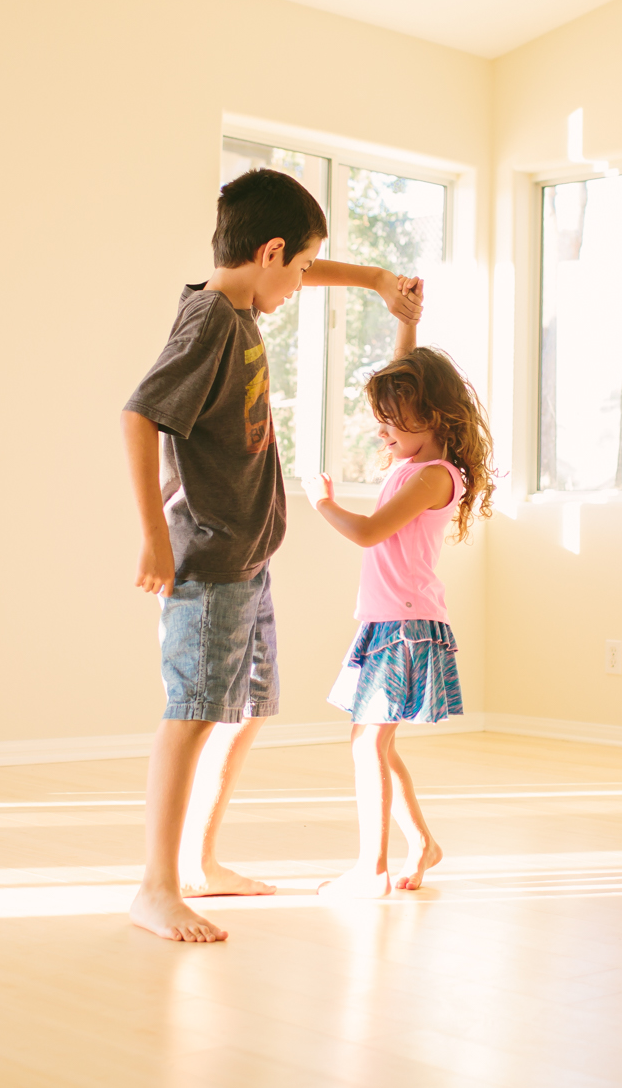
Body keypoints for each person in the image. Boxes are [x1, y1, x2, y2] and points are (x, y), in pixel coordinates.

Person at [121, 166, 421, 944]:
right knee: (192, 712)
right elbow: (139, 415)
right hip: (211, 560)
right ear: (270, 253)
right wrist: (154, 532)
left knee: (243, 709)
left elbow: (305, 265)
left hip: (249, 561)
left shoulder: (241, 297)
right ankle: (155, 886)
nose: (297, 287)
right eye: (297, 268)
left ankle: (198, 862)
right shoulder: (213, 321)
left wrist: (376, 281)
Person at [299, 304, 494, 898]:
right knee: (375, 742)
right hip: (387, 622)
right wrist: (405, 323)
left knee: (369, 742)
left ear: (431, 418)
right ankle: (422, 845)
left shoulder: (433, 476)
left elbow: (368, 531)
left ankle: (373, 870)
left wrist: (322, 503)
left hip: (406, 626)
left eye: (391, 421)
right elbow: (406, 377)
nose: (381, 431)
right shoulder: (415, 459)